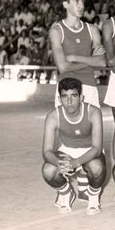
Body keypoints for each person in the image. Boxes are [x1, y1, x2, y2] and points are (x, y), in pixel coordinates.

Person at [42, 78, 106, 215]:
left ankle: (93, 196)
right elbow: (46, 151)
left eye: (74, 96)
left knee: (97, 168)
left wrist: (76, 163)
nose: (69, 101)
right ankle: (66, 193)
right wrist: (59, 163)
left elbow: (97, 148)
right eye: (65, 97)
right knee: (48, 170)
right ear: (59, 99)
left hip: (90, 151)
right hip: (66, 150)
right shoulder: (53, 116)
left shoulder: (93, 112)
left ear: (81, 97)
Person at [49, 0, 106, 108]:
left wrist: (74, 57)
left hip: (89, 86)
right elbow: (63, 67)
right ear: (65, 4)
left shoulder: (92, 29)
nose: (81, 5)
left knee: (92, 126)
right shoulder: (57, 30)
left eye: (83, 2)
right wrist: (91, 60)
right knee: (65, 127)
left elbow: (101, 62)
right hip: (66, 88)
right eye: (77, 1)